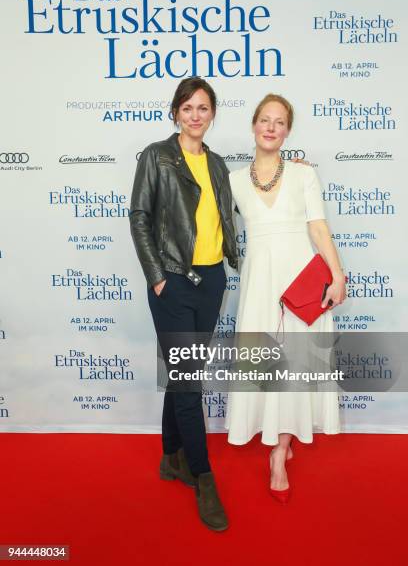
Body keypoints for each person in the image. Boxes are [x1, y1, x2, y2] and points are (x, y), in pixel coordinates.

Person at [226, 94, 346, 503]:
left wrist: (338, 275)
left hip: (300, 281)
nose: (271, 127)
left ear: (288, 131)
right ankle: (279, 437)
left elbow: (318, 229)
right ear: (254, 125)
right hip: (260, 282)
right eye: (264, 119)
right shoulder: (233, 180)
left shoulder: (303, 175)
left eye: (279, 122)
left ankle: (279, 451)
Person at [129, 77, 237, 531]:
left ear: (213, 114)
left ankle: (170, 457)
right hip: (172, 281)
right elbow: (139, 217)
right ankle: (202, 476)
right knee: (190, 381)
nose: (196, 115)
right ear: (175, 112)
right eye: (188, 107)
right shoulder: (157, 156)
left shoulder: (216, 164)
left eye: (204, 108)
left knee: (181, 375)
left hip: (212, 282)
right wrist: (157, 277)